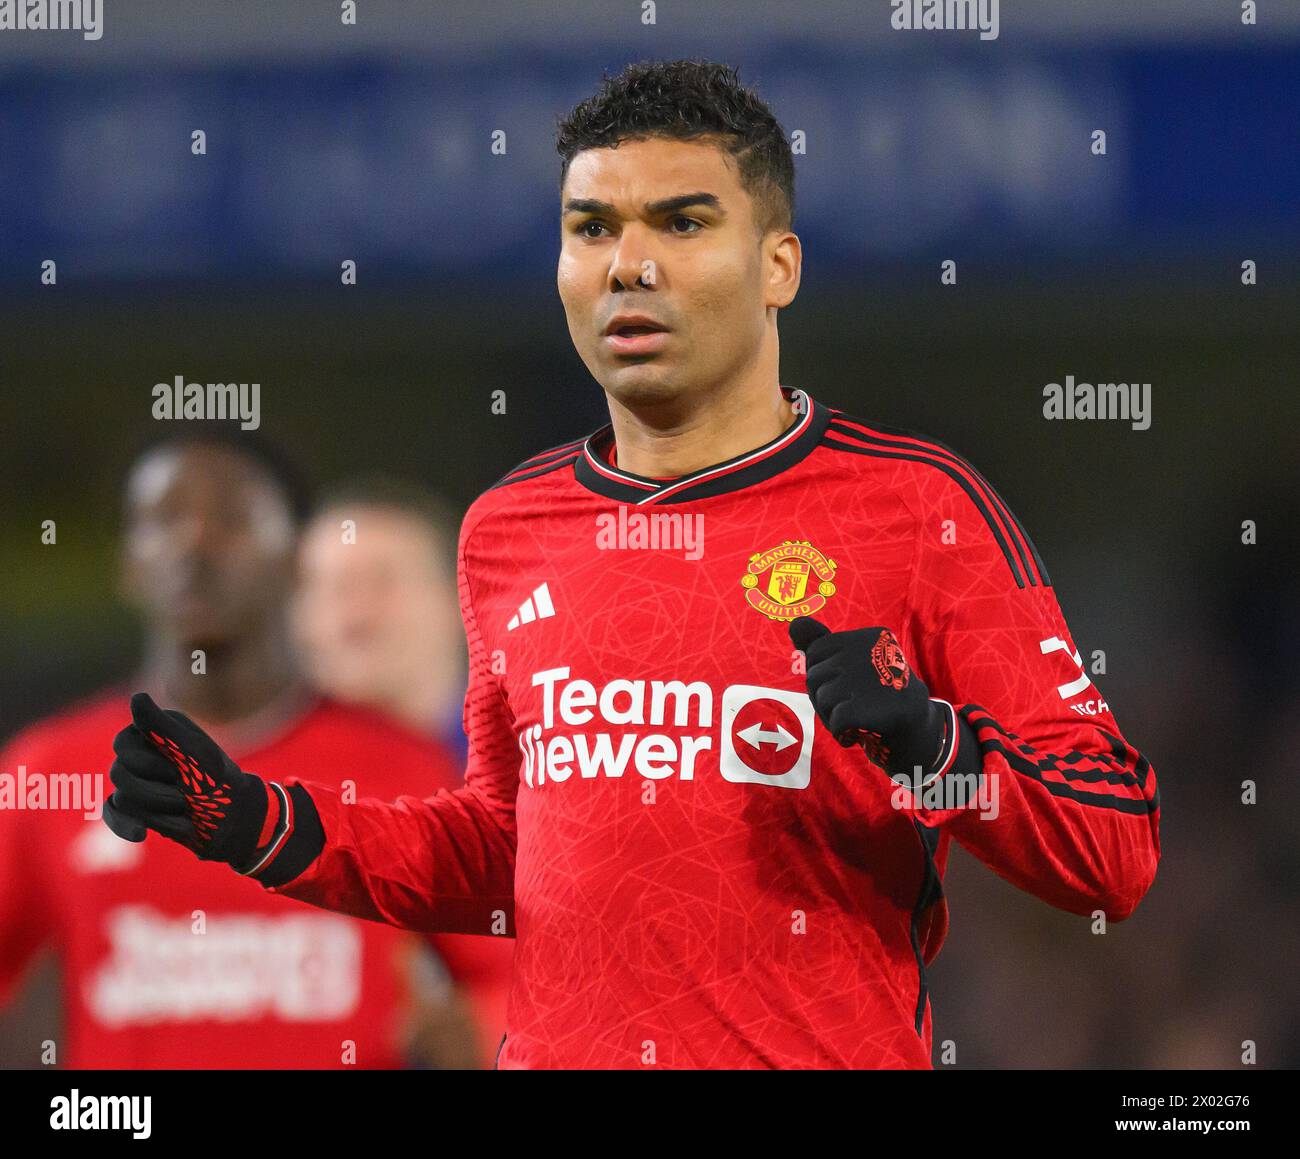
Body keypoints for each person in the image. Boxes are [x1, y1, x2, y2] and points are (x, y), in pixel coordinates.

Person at [101, 60, 1161, 1069]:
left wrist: (931, 741)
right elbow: (503, 853)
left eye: (683, 221)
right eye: (591, 227)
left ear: (778, 264)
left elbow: (1112, 849)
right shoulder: (508, 528)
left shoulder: (917, 509)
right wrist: (257, 822)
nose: (628, 263)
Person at [0, 427, 494, 1068]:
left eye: (232, 519)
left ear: (296, 560)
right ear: (128, 563)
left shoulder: (405, 764)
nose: (194, 543)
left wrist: (480, 1030)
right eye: (163, 519)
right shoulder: (48, 770)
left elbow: (512, 964)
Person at [292, 477, 514, 1057]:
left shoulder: (543, 762)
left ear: (458, 598)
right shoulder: (273, 794)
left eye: (382, 583)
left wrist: (485, 1028)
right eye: (328, 588)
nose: (355, 614)